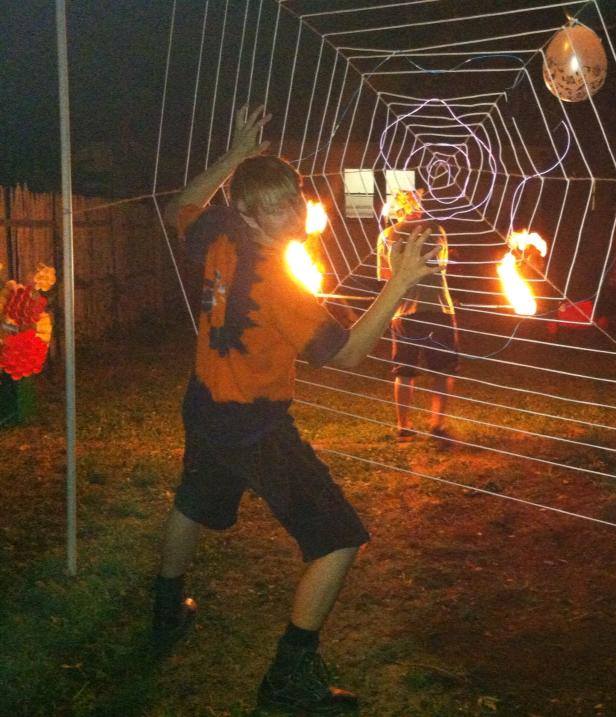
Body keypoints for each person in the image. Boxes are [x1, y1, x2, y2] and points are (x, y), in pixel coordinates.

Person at [154, 105, 439, 713]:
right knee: (337, 539)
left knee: (193, 500)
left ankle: (165, 608)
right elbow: (350, 357)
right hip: (253, 426)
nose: (295, 211)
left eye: (296, 196)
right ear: (253, 214)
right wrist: (401, 284)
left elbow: (183, 200)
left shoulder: (216, 235)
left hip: (204, 404)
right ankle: (289, 675)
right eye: (279, 205)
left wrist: (235, 154)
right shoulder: (282, 286)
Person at [376, 208, 459, 447]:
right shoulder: (436, 230)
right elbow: (440, 265)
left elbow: (384, 275)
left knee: (404, 371)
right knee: (443, 371)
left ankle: (404, 427)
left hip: (403, 312)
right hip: (438, 309)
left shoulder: (387, 235)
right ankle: (437, 425)